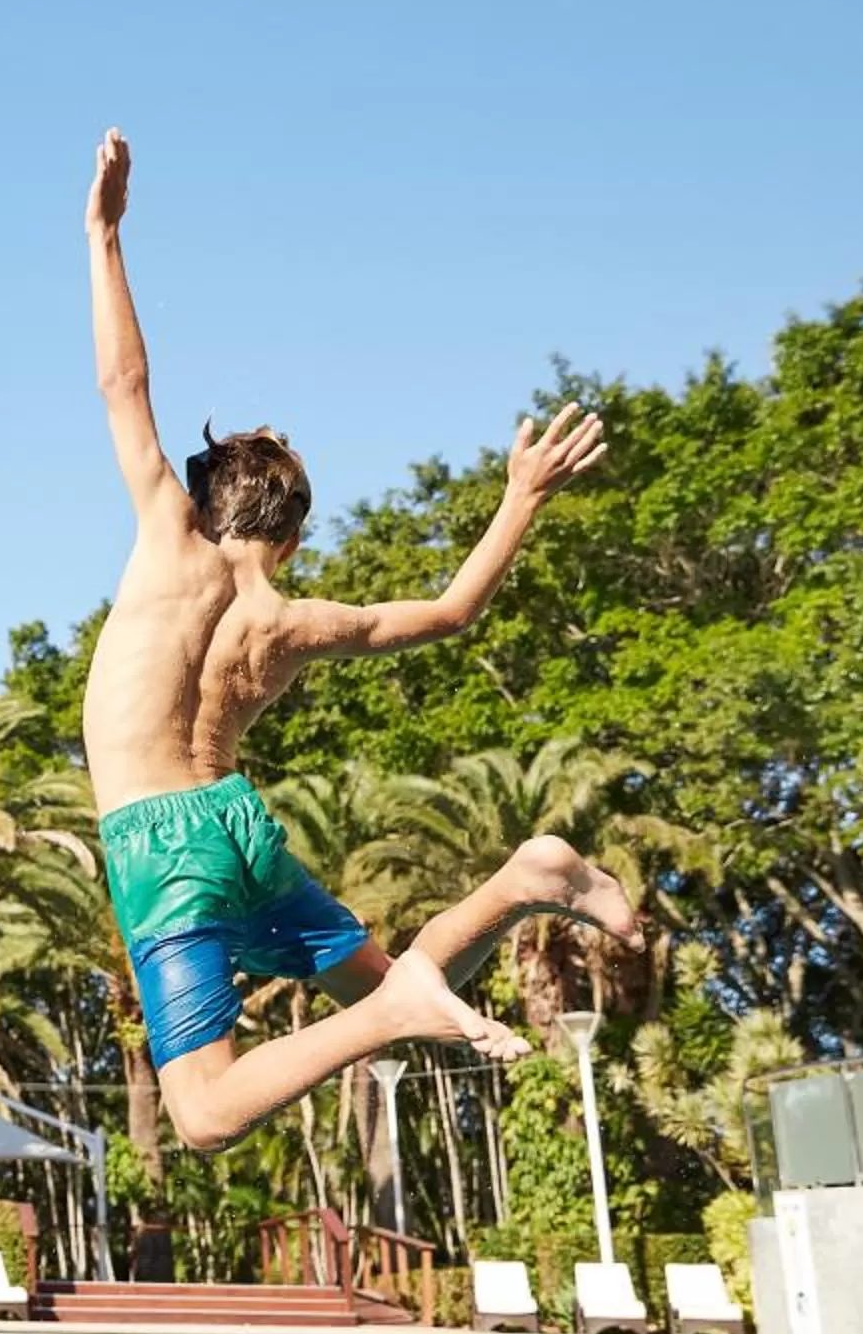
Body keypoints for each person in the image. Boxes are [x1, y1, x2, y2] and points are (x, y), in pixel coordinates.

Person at [78, 129, 642, 1152]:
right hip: (233, 826)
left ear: (204, 498)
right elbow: (452, 610)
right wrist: (520, 497)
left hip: (158, 840)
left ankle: (400, 1007)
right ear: (291, 539)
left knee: (203, 1114)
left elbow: (124, 382)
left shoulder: (168, 535)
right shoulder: (297, 624)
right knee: (392, 982)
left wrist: (104, 233)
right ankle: (527, 881)